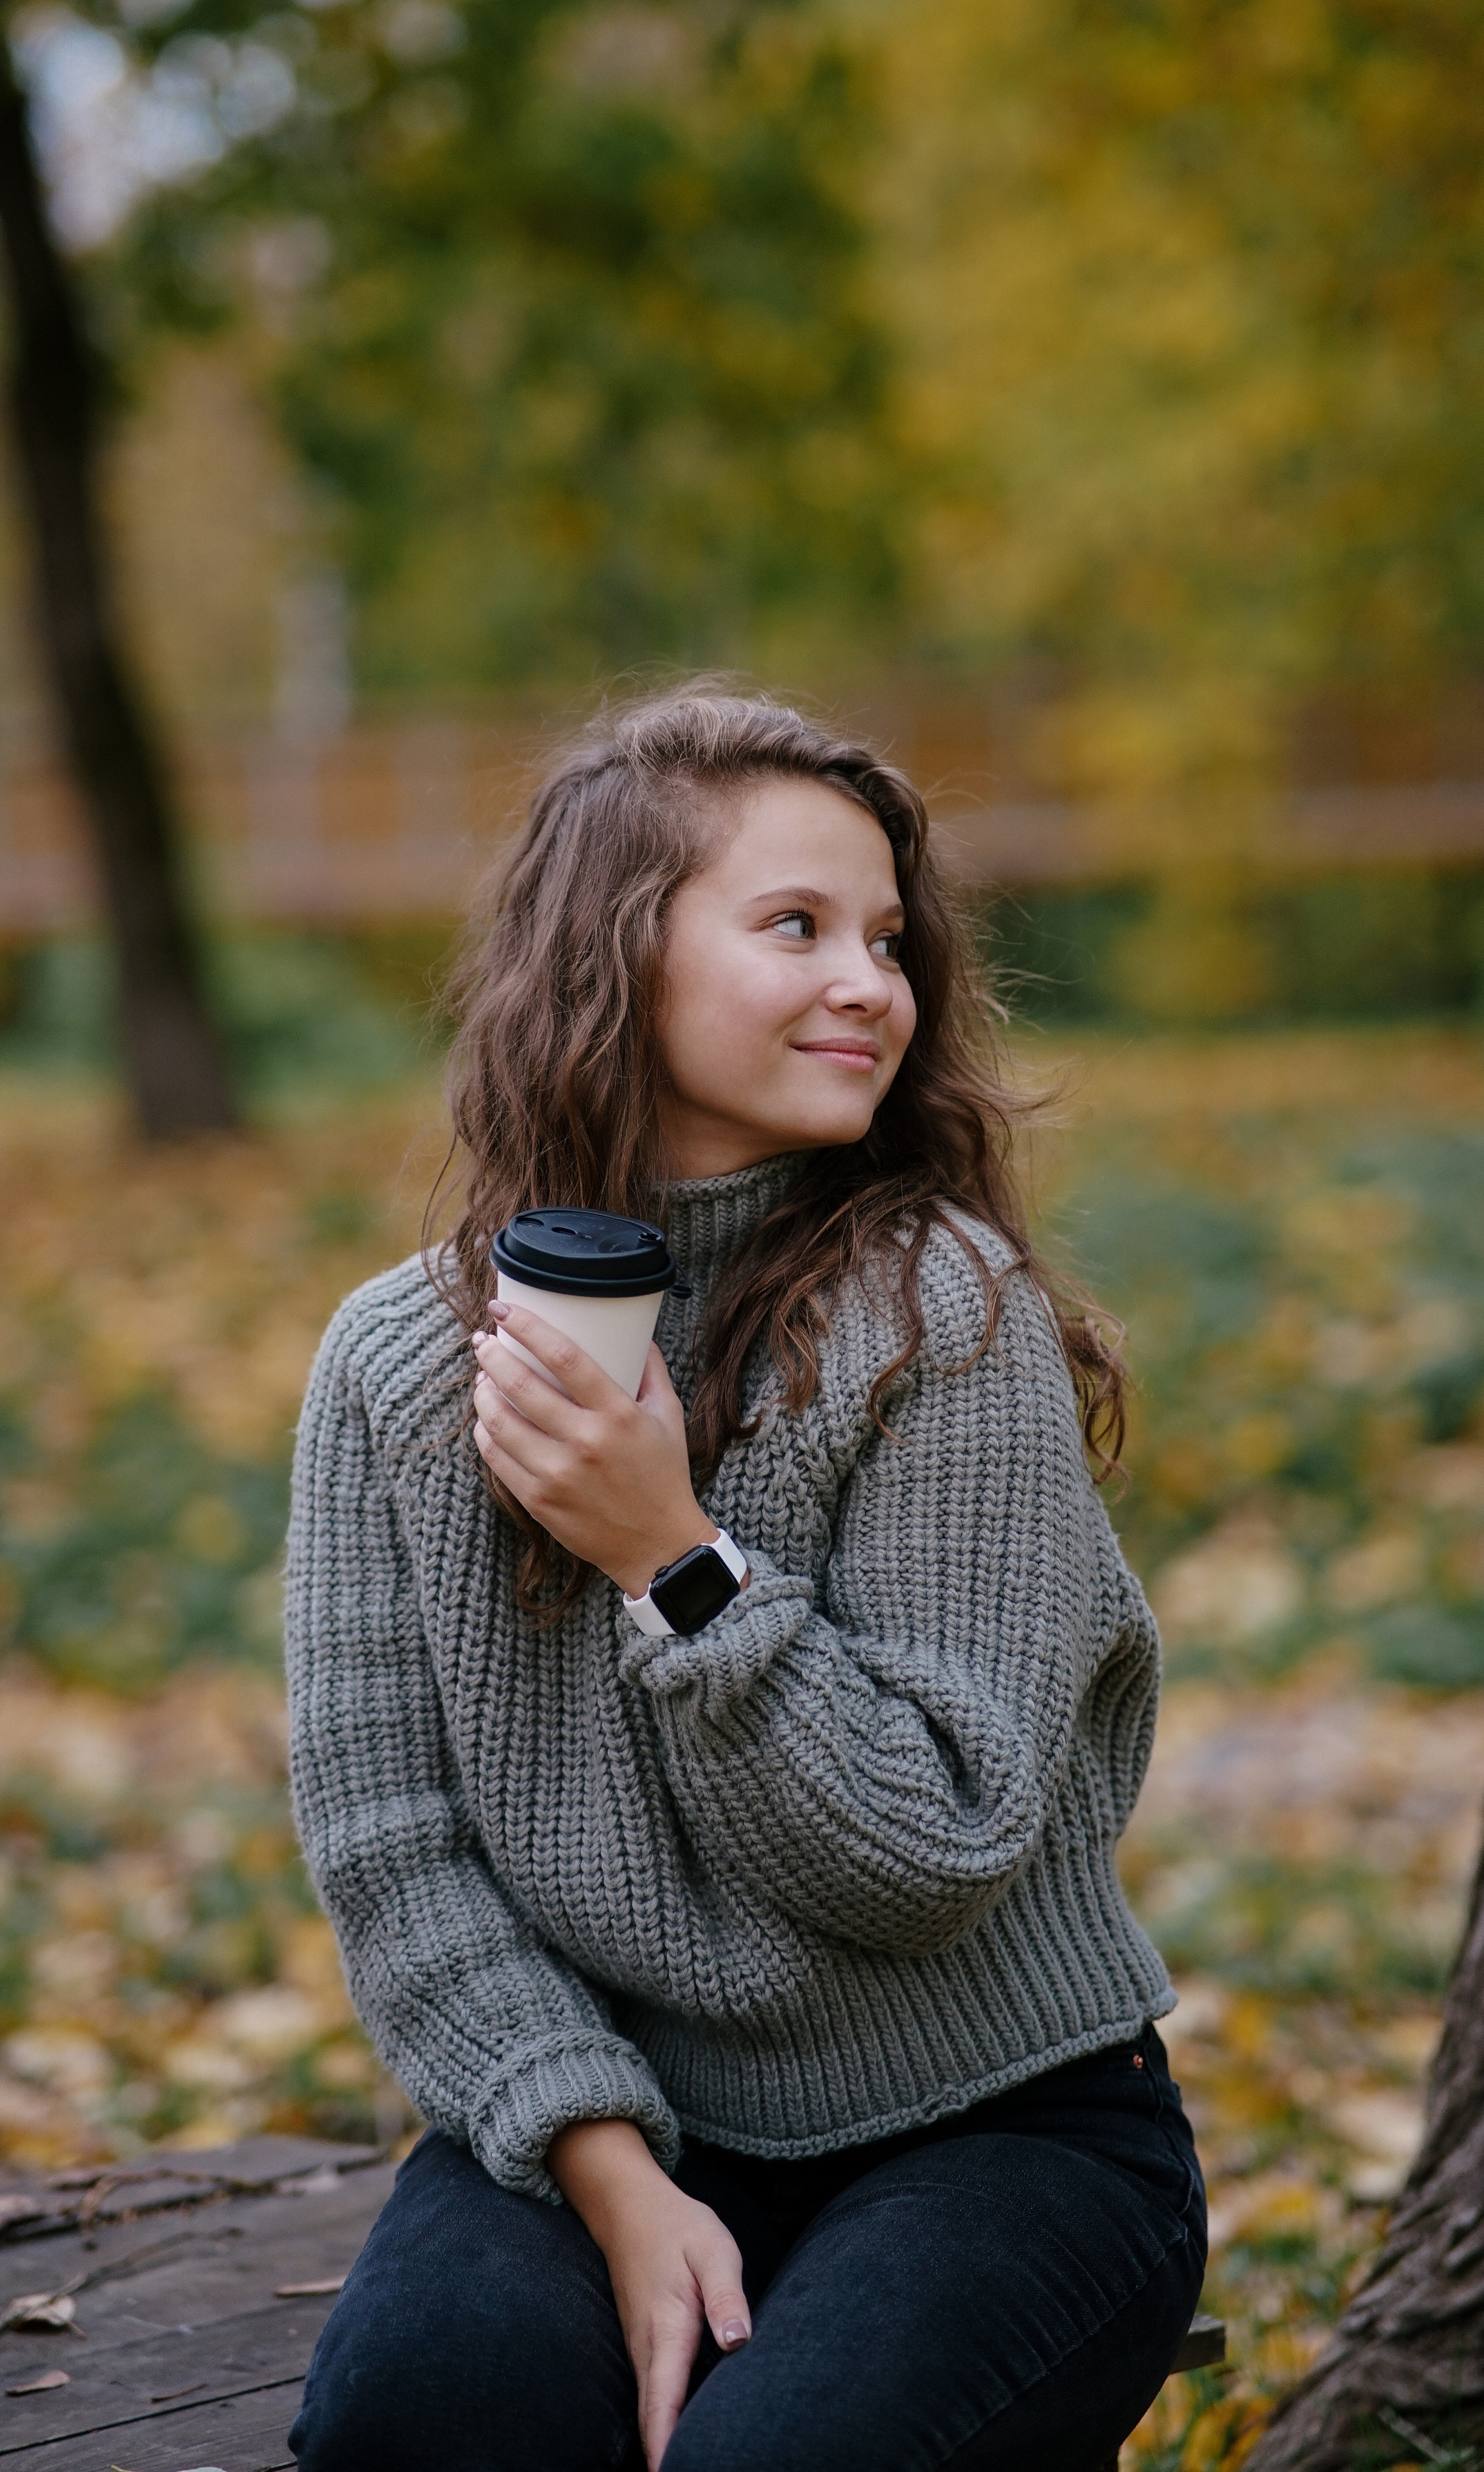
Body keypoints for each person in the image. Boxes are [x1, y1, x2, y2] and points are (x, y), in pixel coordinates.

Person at [285, 686, 1205, 2472]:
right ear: (614, 959)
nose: (872, 980)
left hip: (999, 2132)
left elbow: (931, 1850)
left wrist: (670, 1559)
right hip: (616, 2123)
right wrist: (614, 2182)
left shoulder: (944, 1316)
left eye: (884, 937)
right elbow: (395, 1850)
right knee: (417, 2415)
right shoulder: (396, 1368)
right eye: (795, 926)